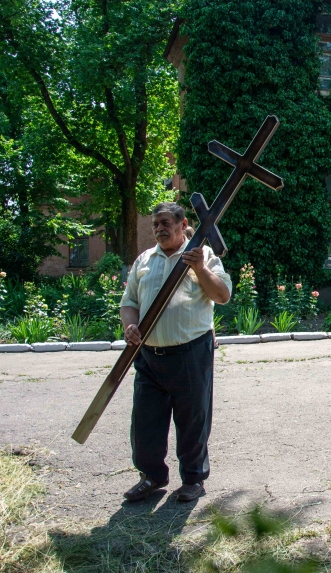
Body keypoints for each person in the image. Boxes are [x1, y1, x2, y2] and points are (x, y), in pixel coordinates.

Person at [120, 202, 232, 502]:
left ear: (183, 225)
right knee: (145, 423)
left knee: (193, 421)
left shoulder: (203, 256)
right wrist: (130, 326)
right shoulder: (145, 260)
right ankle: (152, 477)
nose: (159, 229)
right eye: (155, 224)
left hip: (191, 354)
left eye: (166, 222)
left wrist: (199, 269)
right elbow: (128, 302)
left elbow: (222, 295)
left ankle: (193, 479)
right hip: (149, 357)